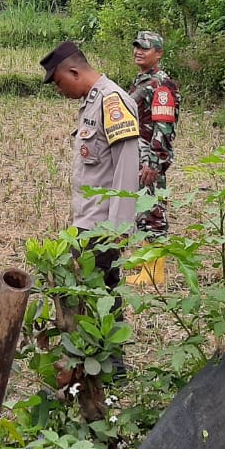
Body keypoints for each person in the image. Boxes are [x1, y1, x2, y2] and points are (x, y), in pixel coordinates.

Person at [39, 40, 141, 291]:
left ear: (74, 72)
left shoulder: (112, 102)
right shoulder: (91, 103)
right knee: (91, 297)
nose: (59, 90)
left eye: (59, 82)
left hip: (103, 229)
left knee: (94, 296)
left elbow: (126, 168)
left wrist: (117, 230)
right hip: (87, 224)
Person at [127, 31, 181, 285]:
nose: (138, 51)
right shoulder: (143, 80)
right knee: (142, 210)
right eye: (137, 46)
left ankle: (154, 274)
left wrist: (154, 162)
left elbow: (163, 126)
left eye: (145, 48)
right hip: (137, 154)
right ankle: (145, 264)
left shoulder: (161, 85)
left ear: (159, 53)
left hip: (149, 157)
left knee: (153, 213)